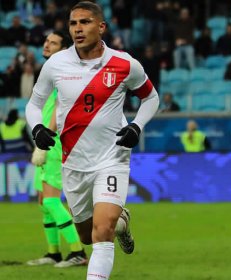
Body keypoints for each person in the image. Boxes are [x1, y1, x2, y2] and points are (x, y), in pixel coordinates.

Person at [25, 2, 159, 280]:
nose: (77, 29)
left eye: (85, 22)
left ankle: (112, 227)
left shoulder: (124, 63)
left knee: (102, 231)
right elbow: (34, 103)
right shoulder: (57, 63)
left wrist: (137, 125)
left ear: (101, 27)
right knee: (87, 235)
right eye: (73, 23)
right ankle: (122, 223)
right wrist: (36, 127)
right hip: (74, 162)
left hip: (112, 157)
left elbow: (151, 97)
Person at [26, 30, 89, 268]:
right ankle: (53, 253)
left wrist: (47, 138)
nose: (47, 44)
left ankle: (78, 252)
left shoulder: (62, 72)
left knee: (52, 201)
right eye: (46, 41)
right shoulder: (50, 70)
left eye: (53, 43)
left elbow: (59, 107)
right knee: (43, 202)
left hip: (53, 143)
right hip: (45, 141)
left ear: (63, 49)